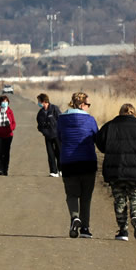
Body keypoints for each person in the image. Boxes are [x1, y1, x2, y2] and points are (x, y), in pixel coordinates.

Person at [94, 103, 136, 241]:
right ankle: (135, 217)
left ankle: (123, 231)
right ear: (134, 113)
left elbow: (100, 144)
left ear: (120, 112)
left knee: (120, 200)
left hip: (116, 170)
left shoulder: (110, 126)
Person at [56, 92, 98, 238]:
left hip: (68, 162)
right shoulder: (90, 120)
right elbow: (95, 137)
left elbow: (59, 137)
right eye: (88, 104)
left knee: (72, 194)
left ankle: (75, 218)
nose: (88, 107)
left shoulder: (61, 120)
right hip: (88, 161)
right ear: (81, 105)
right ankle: (85, 229)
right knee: (86, 197)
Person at [36, 93, 62, 177]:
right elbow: (39, 126)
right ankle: (53, 171)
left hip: (57, 135)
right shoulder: (40, 113)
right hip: (48, 136)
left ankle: (61, 170)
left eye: (39, 101)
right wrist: (44, 132)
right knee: (50, 154)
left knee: (60, 152)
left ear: (44, 101)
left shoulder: (54, 108)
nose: (38, 103)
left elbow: (61, 120)